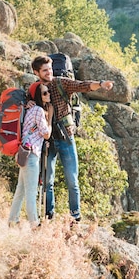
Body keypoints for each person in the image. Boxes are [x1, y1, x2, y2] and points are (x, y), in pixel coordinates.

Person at [31, 55, 114, 223]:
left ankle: (75, 217)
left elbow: (82, 86)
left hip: (65, 136)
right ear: (36, 72)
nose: (49, 73)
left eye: (50, 69)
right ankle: (49, 216)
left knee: (72, 180)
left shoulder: (61, 83)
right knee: (47, 181)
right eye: (45, 70)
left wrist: (101, 84)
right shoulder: (34, 89)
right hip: (47, 139)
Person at [8, 82, 53, 230]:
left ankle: (12, 221)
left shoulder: (30, 110)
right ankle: (35, 224)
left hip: (24, 152)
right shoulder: (39, 110)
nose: (48, 95)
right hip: (32, 154)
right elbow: (46, 134)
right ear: (38, 96)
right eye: (45, 93)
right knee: (31, 192)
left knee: (20, 190)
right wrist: (50, 120)